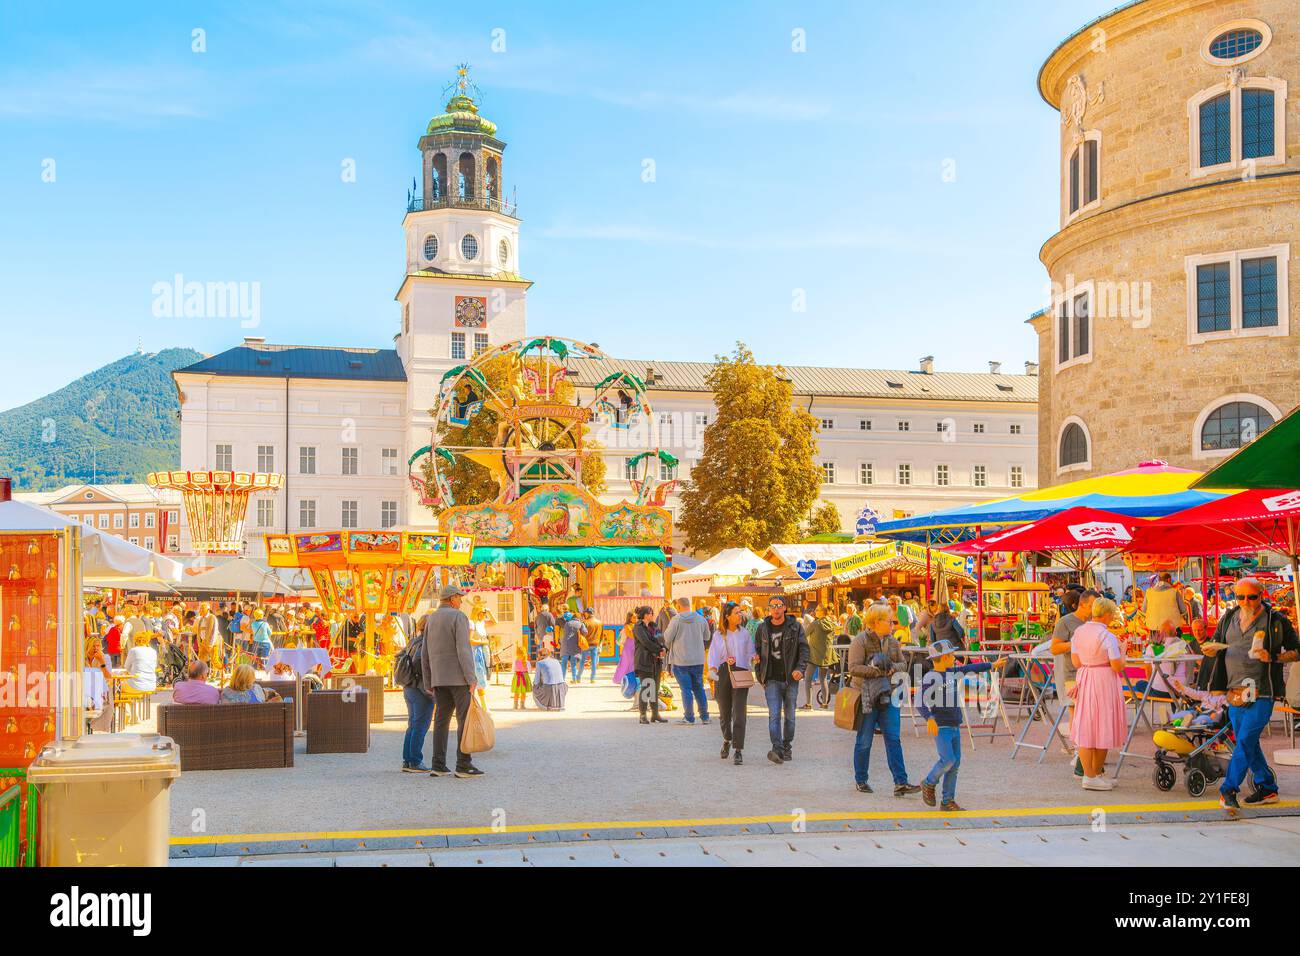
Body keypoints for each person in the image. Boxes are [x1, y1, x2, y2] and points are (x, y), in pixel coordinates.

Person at [1200, 577, 1300, 810]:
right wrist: (1210, 650)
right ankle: (1267, 788)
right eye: (1241, 596)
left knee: (1244, 741)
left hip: (1263, 691)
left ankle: (1228, 789)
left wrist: (1273, 657)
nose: (1246, 601)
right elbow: (1215, 644)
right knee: (1249, 743)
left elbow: (1297, 651)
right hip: (1235, 691)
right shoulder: (1228, 619)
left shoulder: (1276, 620)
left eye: (1252, 596)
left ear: (1262, 594)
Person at [916, 639, 1008, 811]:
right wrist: (929, 717)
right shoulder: (931, 677)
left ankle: (947, 801)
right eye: (951, 655)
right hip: (941, 726)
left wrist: (991, 664)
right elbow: (919, 700)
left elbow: (968, 669)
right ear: (943, 657)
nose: (954, 657)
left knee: (955, 763)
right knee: (948, 760)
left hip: (954, 725)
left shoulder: (951, 672)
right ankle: (929, 782)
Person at [847, 604, 921, 796]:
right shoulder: (860, 641)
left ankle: (901, 782)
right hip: (867, 696)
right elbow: (853, 668)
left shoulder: (892, 642)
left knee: (893, 739)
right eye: (889, 621)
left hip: (890, 694)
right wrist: (876, 671)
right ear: (876, 622)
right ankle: (861, 780)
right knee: (864, 740)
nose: (892, 624)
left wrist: (892, 668)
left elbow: (904, 664)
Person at [420, 584, 485, 778]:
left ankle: (437, 764)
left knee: (441, 721)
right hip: (458, 677)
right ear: (452, 598)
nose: (461, 600)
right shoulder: (459, 617)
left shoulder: (431, 619)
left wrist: (428, 679)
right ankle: (463, 764)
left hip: (439, 678)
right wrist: (471, 677)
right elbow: (463, 650)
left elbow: (425, 652)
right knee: (463, 721)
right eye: (460, 597)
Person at [1070, 598, 1128, 791]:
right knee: (1103, 725)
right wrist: (1123, 652)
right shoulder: (1107, 636)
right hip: (1104, 680)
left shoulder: (1079, 632)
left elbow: (1076, 661)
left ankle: (1092, 774)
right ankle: (1092, 774)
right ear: (1108, 614)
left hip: (1086, 677)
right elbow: (1116, 665)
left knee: (1088, 725)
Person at [752, 596, 809, 765]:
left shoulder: (795, 627)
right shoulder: (762, 628)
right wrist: (759, 675)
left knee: (790, 716)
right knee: (774, 715)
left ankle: (786, 746)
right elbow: (757, 653)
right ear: (769, 609)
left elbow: (804, 650)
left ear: (784, 608)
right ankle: (776, 748)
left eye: (779, 606)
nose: (776, 609)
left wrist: (800, 668)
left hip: (790, 678)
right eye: (772, 606)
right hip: (771, 679)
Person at [707, 602, 754, 765]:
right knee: (725, 713)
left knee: (739, 714)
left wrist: (754, 658)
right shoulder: (718, 635)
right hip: (723, 673)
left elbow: (750, 652)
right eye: (736, 613)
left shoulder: (745, 634)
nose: (740, 615)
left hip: (740, 672)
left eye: (740, 612)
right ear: (727, 616)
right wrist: (712, 670)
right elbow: (712, 655)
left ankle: (738, 750)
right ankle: (727, 738)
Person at [663, 597, 710, 725]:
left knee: (686, 689)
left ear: (678, 606)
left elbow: (667, 637)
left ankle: (689, 717)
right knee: (699, 688)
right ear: (689, 605)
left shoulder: (676, 620)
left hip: (681, 660)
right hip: (698, 659)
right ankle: (705, 717)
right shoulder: (701, 619)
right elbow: (707, 636)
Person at [398, 615, 432, 773]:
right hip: (419, 687)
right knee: (421, 724)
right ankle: (415, 761)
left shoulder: (414, 640)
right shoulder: (427, 642)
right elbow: (419, 661)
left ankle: (408, 759)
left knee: (413, 723)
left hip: (409, 685)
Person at [633, 605, 667, 724]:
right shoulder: (638, 627)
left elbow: (661, 639)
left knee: (655, 687)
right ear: (645, 615)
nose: (652, 615)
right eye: (651, 613)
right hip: (644, 660)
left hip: (656, 661)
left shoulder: (654, 626)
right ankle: (642, 715)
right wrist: (659, 650)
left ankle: (655, 714)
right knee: (647, 687)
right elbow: (646, 642)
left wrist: (663, 648)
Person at [801, 603, 838, 710]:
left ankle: (808, 704)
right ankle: (824, 703)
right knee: (823, 679)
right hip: (826, 656)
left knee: (808, 679)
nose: (815, 611)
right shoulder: (831, 623)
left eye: (817, 610)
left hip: (813, 655)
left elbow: (804, 635)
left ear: (822, 612)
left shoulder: (815, 624)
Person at [1144, 572, 1187, 636]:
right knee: (1174, 645)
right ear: (1169, 579)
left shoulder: (1148, 592)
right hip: (1172, 629)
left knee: (1156, 646)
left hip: (1154, 630)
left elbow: (1144, 610)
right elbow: (1183, 610)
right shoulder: (1174, 592)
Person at [532, 644, 568, 711]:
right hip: (562, 687)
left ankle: (545, 705)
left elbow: (536, 681)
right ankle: (558, 704)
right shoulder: (556, 661)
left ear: (539, 655)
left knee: (534, 686)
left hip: (549, 689)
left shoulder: (540, 663)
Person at [558, 612, 587, 684]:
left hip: (565, 645)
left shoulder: (567, 623)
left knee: (564, 663)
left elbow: (565, 631)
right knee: (573, 664)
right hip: (574, 645)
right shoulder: (580, 624)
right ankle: (574, 679)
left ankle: (562, 680)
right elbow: (585, 632)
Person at [578, 608, 603, 683]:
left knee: (582, 661)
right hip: (595, 644)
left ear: (588, 613)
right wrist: (599, 643)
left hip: (586, 645)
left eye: (585, 613)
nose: (584, 614)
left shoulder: (585, 622)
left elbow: (582, 634)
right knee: (594, 662)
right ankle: (592, 679)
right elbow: (601, 635)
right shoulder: (599, 622)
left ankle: (578, 677)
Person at [511, 640, 531, 709]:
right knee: (523, 692)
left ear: (517, 654)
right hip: (524, 677)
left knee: (516, 692)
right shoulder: (527, 662)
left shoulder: (515, 661)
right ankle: (522, 705)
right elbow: (530, 671)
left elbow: (513, 670)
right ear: (525, 654)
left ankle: (515, 705)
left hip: (517, 677)